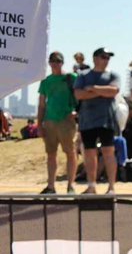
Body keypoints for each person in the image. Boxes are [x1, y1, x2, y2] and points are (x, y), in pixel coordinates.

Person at [74, 47, 122, 195]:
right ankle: (91, 185)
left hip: (107, 120)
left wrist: (93, 89)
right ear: (95, 58)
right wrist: (102, 92)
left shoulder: (113, 75)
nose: (106, 60)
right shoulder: (83, 75)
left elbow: (113, 91)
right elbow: (79, 94)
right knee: (89, 153)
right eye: (103, 57)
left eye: (108, 57)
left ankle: (111, 187)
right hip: (87, 120)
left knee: (108, 151)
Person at [36, 51, 78, 194]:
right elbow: (41, 104)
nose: (55, 64)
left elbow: (81, 97)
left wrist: (77, 112)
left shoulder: (71, 78)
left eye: (58, 61)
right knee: (51, 154)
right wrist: (39, 124)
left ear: (62, 62)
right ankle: (51, 186)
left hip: (66, 120)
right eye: (53, 61)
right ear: (49, 63)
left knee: (70, 153)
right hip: (50, 121)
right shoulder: (46, 81)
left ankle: (71, 185)